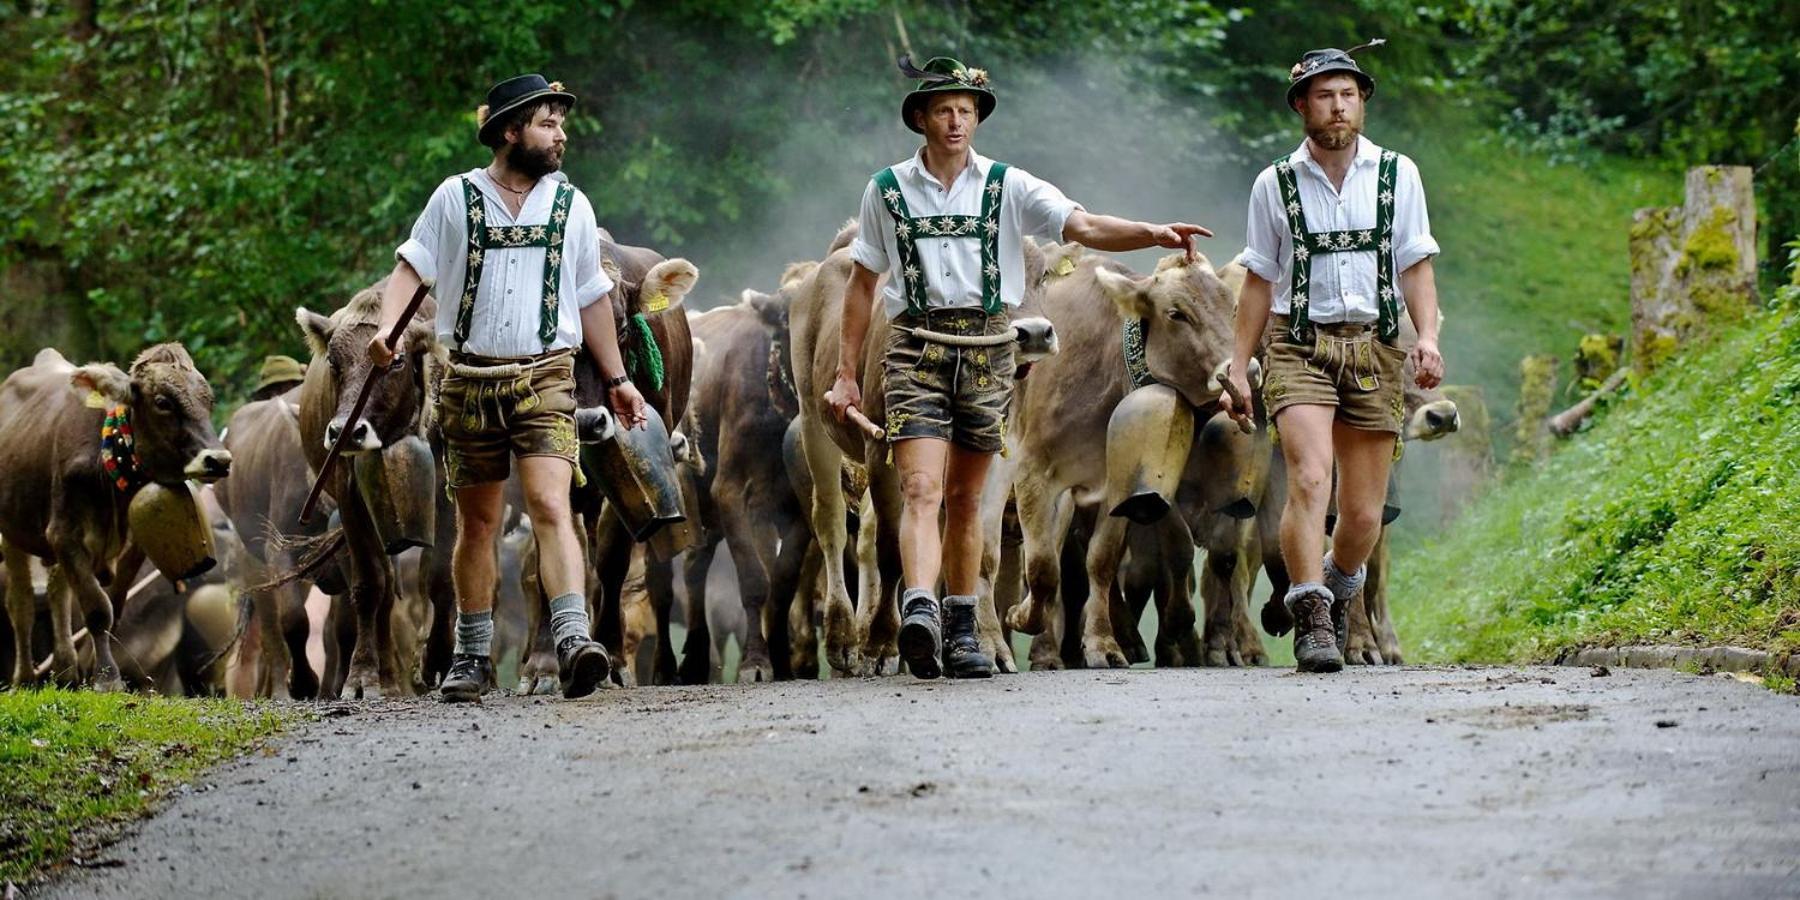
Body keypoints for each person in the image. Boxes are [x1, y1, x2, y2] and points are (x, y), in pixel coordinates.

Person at [828, 56, 1213, 679]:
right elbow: (863, 281)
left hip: (988, 350)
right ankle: (921, 607)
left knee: (965, 495)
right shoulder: (886, 190)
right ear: (920, 118)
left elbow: (1081, 225)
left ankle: (959, 626)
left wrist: (1152, 232)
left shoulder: (1008, 185)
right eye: (944, 111)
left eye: (966, 111)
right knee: (921, 488)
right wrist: (847, 372)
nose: (956, 122)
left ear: (977, 118)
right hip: (913, 346)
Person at [367, 73, 648, 700]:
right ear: (511, 130)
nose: (561, 135)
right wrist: (387, 330)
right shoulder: (454, 197)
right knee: (478, 522)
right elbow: (412, 269)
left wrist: (619, 379)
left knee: (551, 505)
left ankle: (573, 638)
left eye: (560, 124)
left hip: (547, 374)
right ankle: (472, 657)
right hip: (468, 378)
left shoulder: (572, 205)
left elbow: (592, 296)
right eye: (549, 124)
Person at [1219, 43, 1445, 673]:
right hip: (1299, 345)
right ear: (1302, 106)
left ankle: (1338, 585)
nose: (1338, 106)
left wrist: (1426, 338)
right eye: (1324, 95)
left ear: (1362, 102)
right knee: (1311, 478)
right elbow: (1260, 279)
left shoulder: (1400, 174)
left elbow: (1416, 263)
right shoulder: (1275, 183)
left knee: (1365, 511)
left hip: (1376, 345)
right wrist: (1239, 365)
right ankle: (1312, 616)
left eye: (1348, 94)